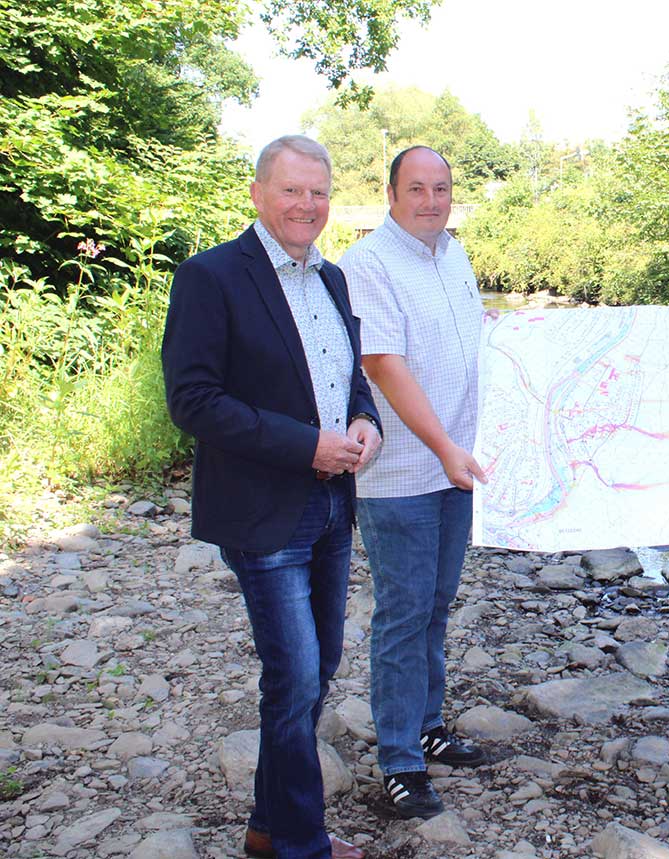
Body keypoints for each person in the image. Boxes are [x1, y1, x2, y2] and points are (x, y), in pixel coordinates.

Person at [162, 135, 382, 859]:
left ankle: (268, 822)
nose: (306, 206)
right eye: (291, 190)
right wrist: (305, 444)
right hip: (261, 511)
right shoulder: (211, 276)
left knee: (315, 670)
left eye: (318, 193)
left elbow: (350, 378)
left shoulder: (334, 280)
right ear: (258, 193)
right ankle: (301, 842)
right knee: (293, 676)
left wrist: (363, 422)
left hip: (331, 506)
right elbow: (193, 401)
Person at [339, 145, 490, 820]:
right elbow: (384, 366)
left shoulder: (451, 254)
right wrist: (444, 447)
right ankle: (399, 760)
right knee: (402, 615)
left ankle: (426, 723)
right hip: (402, 474)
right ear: (391, 193)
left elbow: (473, 342)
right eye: (417, 189)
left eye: (442, 188)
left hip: (457, 466)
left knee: (434, 605)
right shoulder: (368, 264)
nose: (431, 200)